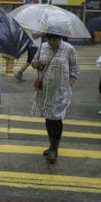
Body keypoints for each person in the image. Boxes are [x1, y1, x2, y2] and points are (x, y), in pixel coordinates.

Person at [31, 32, 79, 164]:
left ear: (60, 38)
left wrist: (68, 85)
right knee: (48, 118)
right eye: (49, 39)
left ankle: (54, 150)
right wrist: (37, 64)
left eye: (54, 39)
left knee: (56, 120)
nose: (51, 42)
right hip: (45, 90)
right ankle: (51, 145)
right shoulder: (43, 47)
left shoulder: (69, 49)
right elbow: (34, 64)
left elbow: (75, 71)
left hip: (60, 92)